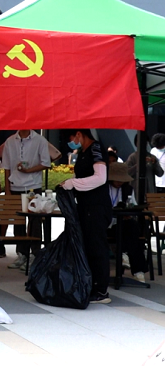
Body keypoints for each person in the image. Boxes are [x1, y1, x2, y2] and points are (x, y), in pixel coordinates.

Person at [61, 129, 113, 304]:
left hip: (96, 206)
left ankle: (101, 289)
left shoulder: (96, 149)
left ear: (79, 134)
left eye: (71, 138)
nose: (71, 143)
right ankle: (90, 284)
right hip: (85, 206)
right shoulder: (83, 152)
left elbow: (100, 178)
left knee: (97, 247)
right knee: (88, 246)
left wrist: (74, 183)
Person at [0, 129, 50, 271]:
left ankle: (34, 254)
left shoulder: (40, 140)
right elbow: (6, 167)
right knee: (18, 222)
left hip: (33, 186)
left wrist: (29, 170)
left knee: (35, 221)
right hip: (15, 186)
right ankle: (21, 254)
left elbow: (46, 163)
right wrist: (7, 189)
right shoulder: (10, 141)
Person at [106, 162, 147, 284]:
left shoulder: (128, 189)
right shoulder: (103, 189)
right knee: (132, 237)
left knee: (132, 227)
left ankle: (124, 254)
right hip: (107, 224)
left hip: (123, 223)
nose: (119, 182)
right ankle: (137, 269)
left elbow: (132, 205)